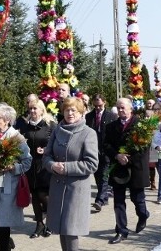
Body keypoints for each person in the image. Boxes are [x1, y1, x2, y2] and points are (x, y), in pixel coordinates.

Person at [43, 97, 99, 251]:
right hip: (58, 187)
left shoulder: (89, 133)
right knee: (61, 228)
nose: (70, 113)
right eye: (67, 110)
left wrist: (67, 168)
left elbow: (92, 164)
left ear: (81, 113)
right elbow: (46, 156)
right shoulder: (57, 130)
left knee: (71, 230)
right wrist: (52, 165)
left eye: (73, 110)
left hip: (76, 189)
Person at [0, 103, 32, 251]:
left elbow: (27, 161)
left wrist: (13, 167)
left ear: (7, 120)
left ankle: (4, 246)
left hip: (9, 186)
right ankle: (6, 241)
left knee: (3, 222)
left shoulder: (16, 137)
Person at [103, 97, 150, 245]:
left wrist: (128, 159)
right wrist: (117, 155)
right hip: (118, 168)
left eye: (123, 107)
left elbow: (144, 147)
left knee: (138, 199)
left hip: (136, 168)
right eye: (118, 107)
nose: (120, 110)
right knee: (118, 202)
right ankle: (121, 230)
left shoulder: (141, 125)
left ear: (131, 108)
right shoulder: (111, 126)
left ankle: (143, 215)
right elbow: (105, 145)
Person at [19, 99, 56, 238]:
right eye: (31, 109)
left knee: (43, 194)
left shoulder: (50, 125)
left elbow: (57, 143)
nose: (32, 111)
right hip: (30, 166)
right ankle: (39, 224)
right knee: (34, 195)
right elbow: (21, 142)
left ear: (42, 110)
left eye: (35, 109)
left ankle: (51, 221)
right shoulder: (26, 126)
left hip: (45, 165)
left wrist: (46, 149)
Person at [84, 94, 117, 212]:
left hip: (106, 151)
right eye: (95, 106)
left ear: (105, 103)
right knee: (97, 176)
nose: (97, 108)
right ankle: (104, 197)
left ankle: (99, 200)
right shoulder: (89, 116)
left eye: (100, 105)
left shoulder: (111, 116)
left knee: (104, 175)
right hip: (93, 151)